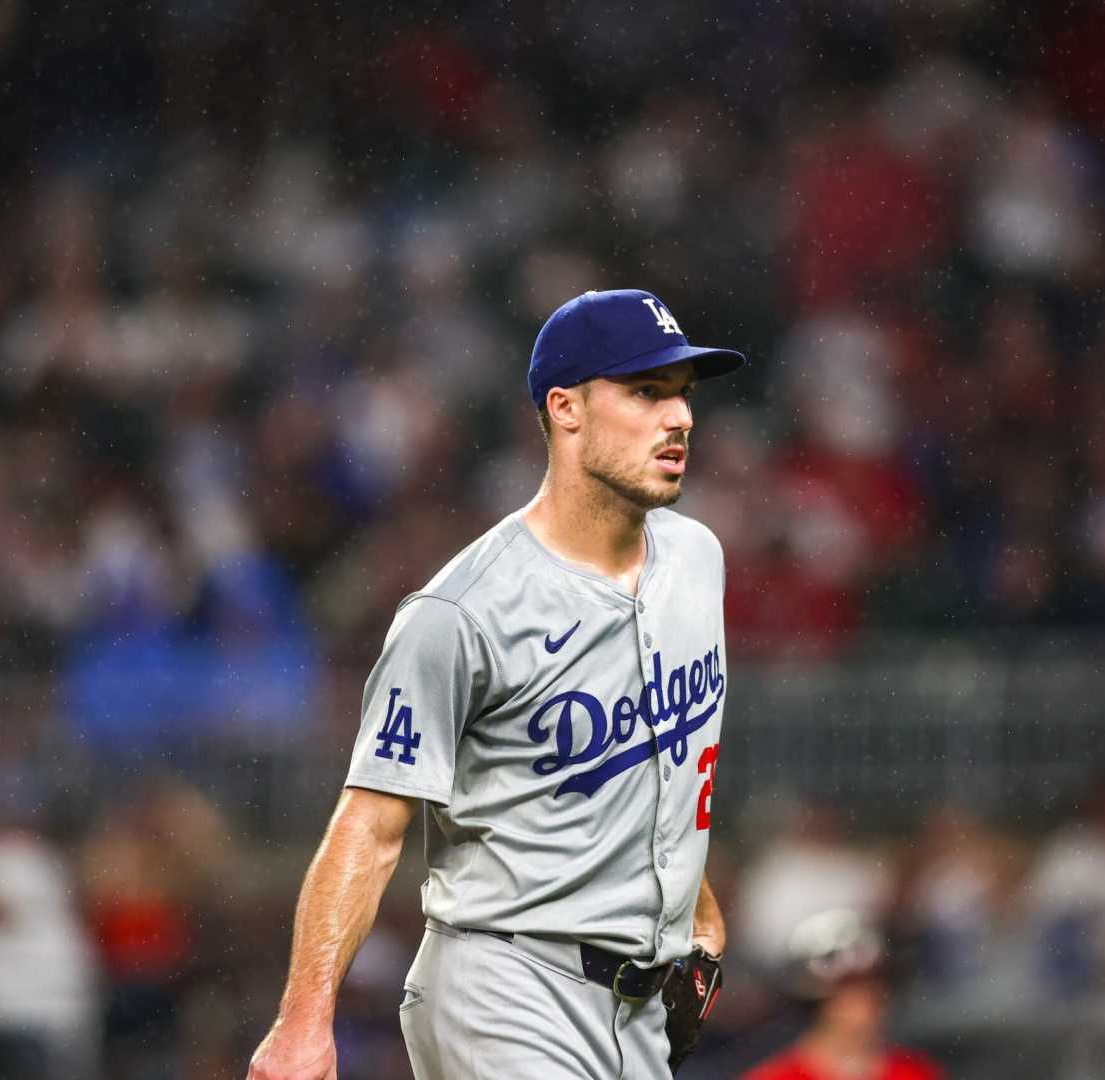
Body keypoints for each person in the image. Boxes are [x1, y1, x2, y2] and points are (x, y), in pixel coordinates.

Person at [248, 289, 744, 1079]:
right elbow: (372, 824)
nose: (678, 418)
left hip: (639, 1011)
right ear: (566, 408)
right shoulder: (460, 611)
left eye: (682, 395)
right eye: (646, 393)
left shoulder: (698, 558)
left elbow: (662, 774)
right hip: (504, 989)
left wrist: (698, 915)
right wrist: (304, 1023)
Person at [743, 910, 946, 1080]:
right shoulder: (774, 1077)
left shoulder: (916, 1073)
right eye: (848, 989)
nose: (866, 1001)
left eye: (872, 986)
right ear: (816, 999)